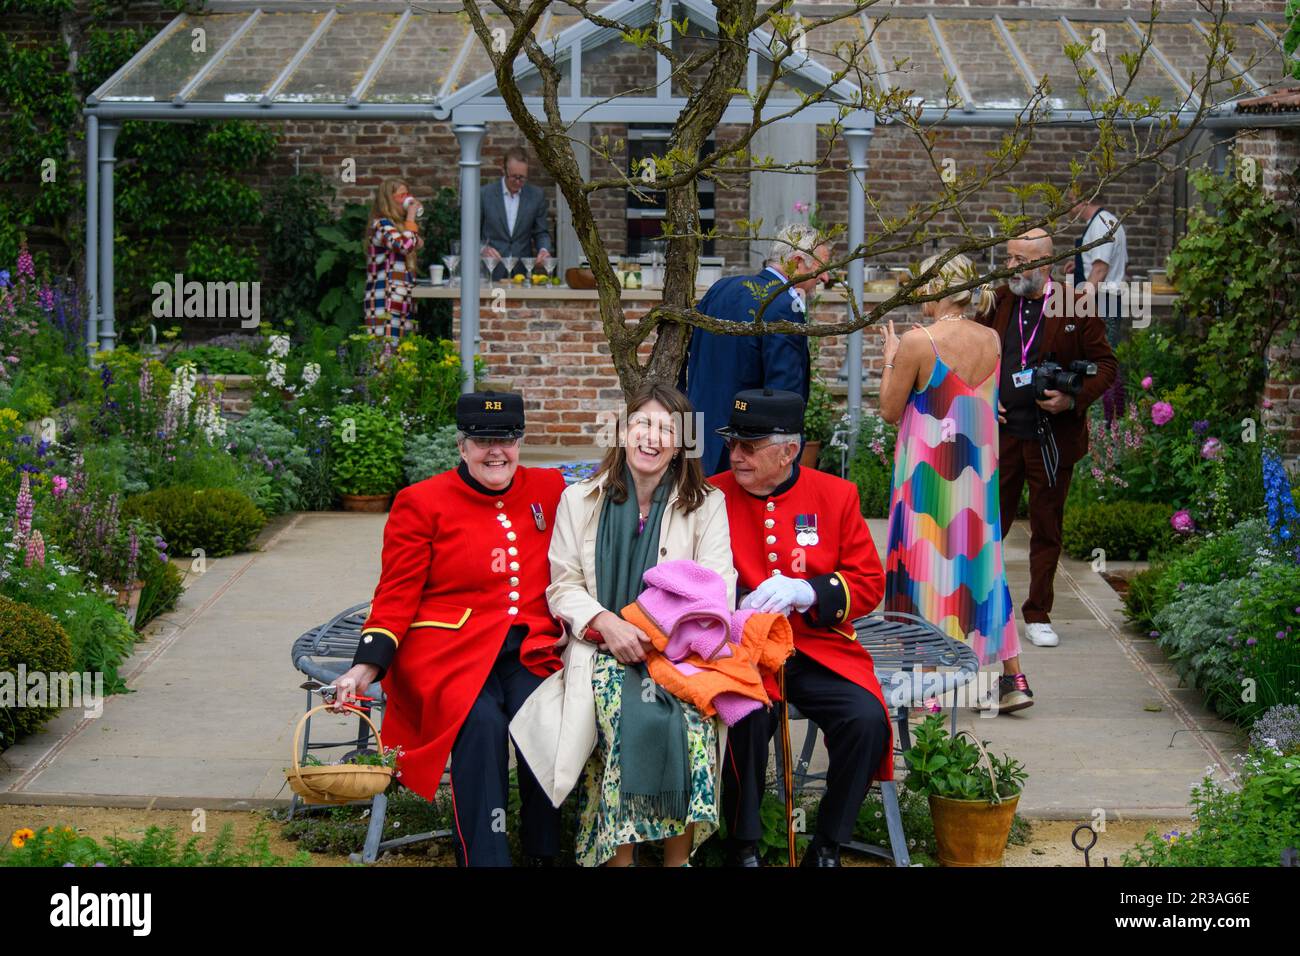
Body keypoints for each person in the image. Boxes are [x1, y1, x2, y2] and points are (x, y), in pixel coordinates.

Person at [330, 391, 567, 867]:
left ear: (521, 442)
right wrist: (365, 666)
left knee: (544, 718)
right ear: (462, 446)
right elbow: (396, 594)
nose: (496, 451)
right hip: (448, 651)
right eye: (483, 440)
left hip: (530, 648)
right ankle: (486, 857)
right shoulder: (420, 502)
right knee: (480, 725)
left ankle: (545, 853)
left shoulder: (550, 486)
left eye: (507, 438)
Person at [546, 383, 736, 867]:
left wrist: (655, 632)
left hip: (679, 654)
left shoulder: (706, 504)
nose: (652, 437)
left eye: (667, 429)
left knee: (691, 725)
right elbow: (563, 586)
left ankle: (677, 860)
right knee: (627, 721)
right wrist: (607, 622)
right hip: (602, 651)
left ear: (682, 444)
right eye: (643, 424)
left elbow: (717, 588)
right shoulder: (580, 500)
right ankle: (619, 860)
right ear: (623, 430)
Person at [712, 388, 892, 867]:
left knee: (866, 720)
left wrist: (810, 591)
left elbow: (869, 583)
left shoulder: (836, 495)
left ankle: (828, 846)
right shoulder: (711, 497)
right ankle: (743, 846)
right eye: (733, 443)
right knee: (744, 718)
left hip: (819, 646)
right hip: (744, 651)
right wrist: (734, 608)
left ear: (789, 450)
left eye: (750, 447)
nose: (736, 455)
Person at [878, 252, 1029, 713]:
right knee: (984, 568)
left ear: (934, 289)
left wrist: (889, 360)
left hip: (928, 476)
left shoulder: (918, 342)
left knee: (923, 566)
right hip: (977, 475)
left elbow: (889, 410)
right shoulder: (991, 339)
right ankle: (1013, 679)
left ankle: (927, 690)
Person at [978, 229, 1117, 649]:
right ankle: (983, 610)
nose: (1011, 268)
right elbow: (972, 355)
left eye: (1020, 261)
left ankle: (1038, 613)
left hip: (1052, 437)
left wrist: (1072, 398)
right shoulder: (999, 300)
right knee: (988, 527)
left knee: (1046, 528)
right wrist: (984, 396)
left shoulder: (1075, 303)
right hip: (1002, 435)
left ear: (1044, 264)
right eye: (1009, 258)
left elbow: (1106, 365)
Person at [682, 224, 830, 476]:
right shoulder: (783, 305)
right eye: (822, 267)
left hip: (696, 431)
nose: (826, 277)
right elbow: (784, 390)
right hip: (743, 445)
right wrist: (785, 451)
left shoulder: (721, 288)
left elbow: (687, 353)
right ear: (796, 262)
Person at [1065, 184, 1127, 348]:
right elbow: (1106, 260)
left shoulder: (1101, 224)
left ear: (1086, 200)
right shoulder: (1106, 220)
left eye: (1072, 200)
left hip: (1103, 301)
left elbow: (1100, 269)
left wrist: (1080, 303)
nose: (1070, 206)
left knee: (1100, 357)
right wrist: (1079, 263)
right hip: (1106, 299)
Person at [363, 178, 423, 342]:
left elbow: (415, 243)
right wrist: (411, 219)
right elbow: (405, 245)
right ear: (389, 199)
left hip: (401, 299)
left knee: (405, 356)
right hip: (385, 299)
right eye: (401, 195)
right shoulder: (381, 225)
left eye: (407, 194)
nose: (406, 199)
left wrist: (411, 228)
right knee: (384, 356)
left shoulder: (397, 226)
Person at [480, 146, 553, 281]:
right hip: (491, 271)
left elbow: (541, 232)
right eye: (514, 177)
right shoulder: (484, 195)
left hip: (522, 272)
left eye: (522, 178)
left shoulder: (536, 196)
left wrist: (544, 250)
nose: (518, 181)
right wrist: (482, 249)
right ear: (504, 171)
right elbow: (471, 233)